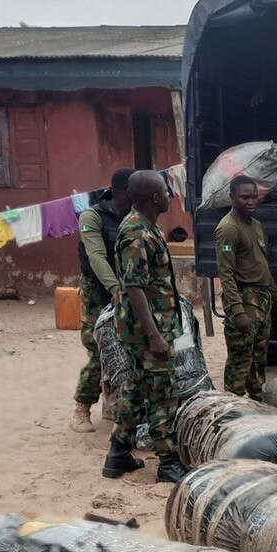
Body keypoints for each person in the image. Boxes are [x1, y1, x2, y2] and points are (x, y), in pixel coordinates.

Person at [102, 171, 187, 484]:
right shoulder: (137, 232)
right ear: (154, 197)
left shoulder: (147, 226)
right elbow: (134, 287)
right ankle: (168, 463)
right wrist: (154, 336)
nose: (170, 196)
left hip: (152, 325)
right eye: (166, 191)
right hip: (147, 331)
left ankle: (118, 454)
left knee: (138, 390)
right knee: (163, 394)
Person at [215, 175, 277, 399]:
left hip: (262, 299)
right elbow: (226, 274)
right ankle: (233, 407)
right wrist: (238, 312)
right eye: (244, 197)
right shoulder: (228, 229)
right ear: (232, 197)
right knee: (241, 357)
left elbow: (263, 266)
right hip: (243, 297)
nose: (250, 201)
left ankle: (257, 399)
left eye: (253, 197)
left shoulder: (256, 225)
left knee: (259, 356)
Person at [70, 167, 135, 434]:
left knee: (129, 347)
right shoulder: (92, 216)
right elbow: (96, 256)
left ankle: (113, 404)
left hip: (129, 290)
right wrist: (115, 289)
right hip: (97, 289)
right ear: (123, 192)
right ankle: (81, 407)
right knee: (99, 349)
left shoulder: (136, 217)